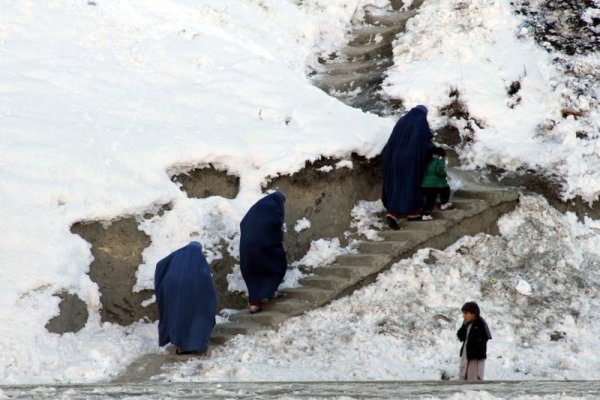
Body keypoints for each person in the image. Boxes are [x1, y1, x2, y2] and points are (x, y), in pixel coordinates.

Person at [154, 241, 217, 355]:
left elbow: (160, 264)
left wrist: (164, 278)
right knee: (195, 317)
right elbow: (207, 287)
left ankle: (180, 345)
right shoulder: (199, 262)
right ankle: (194, 344)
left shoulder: (177, 256)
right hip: (192, 291)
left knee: (177, 317)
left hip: (171, 289)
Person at [381, 104, 434, 229]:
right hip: (410, 159)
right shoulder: (420, 121)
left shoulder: (402, 121)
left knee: (395, 184)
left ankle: (392, 214)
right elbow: (425, 140)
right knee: (412, 183)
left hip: (392, 157)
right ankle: (413, 213)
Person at [240, 191, 288, 313]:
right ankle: (272, 292)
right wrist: (277, 239)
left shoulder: (255, 209)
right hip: (264, 245)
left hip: (246, 248)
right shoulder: (273, 206)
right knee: (277, 265)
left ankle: (254, 305)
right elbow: (276, 224)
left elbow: (243, 223)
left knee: (253, 274)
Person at [457, 301, 492, 381]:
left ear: (473, 313)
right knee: (463, 377)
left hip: (475, 358)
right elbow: (460, 336)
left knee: (473, 379)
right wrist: (464, 326)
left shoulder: (480, 324)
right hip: (466, 356)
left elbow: (482, 340)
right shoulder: (467, 323)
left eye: (466, 313)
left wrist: (473, 353)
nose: (464, 316)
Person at [422, 146, 453, 219]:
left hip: (425, 185)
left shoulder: (428, 161)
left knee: (430, 200)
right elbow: (439, 171)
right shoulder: (439, 161)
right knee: (446, 189)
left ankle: (425, 214)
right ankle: (444, 204)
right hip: (434, 185)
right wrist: (445, 174)